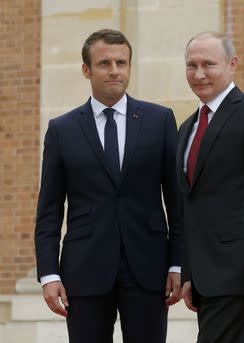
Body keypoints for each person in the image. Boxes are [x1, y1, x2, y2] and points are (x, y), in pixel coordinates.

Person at [34, 29, 183, 343]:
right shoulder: (62, 130)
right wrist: (49, 274)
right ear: (87, 70)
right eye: (104, 63)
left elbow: (178, 201)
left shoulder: (160, 120)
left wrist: (178, 263)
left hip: (149, 267)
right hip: (84, 269)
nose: (114, 70)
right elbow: (48, 211)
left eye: (121, 62)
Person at [177, 31, 244, 342]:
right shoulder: (187, 128)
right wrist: (188, 273)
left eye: (208, 64)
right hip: (206, 281)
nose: (199, 74)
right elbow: (190, 204)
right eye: (191, 65)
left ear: (232, 64)